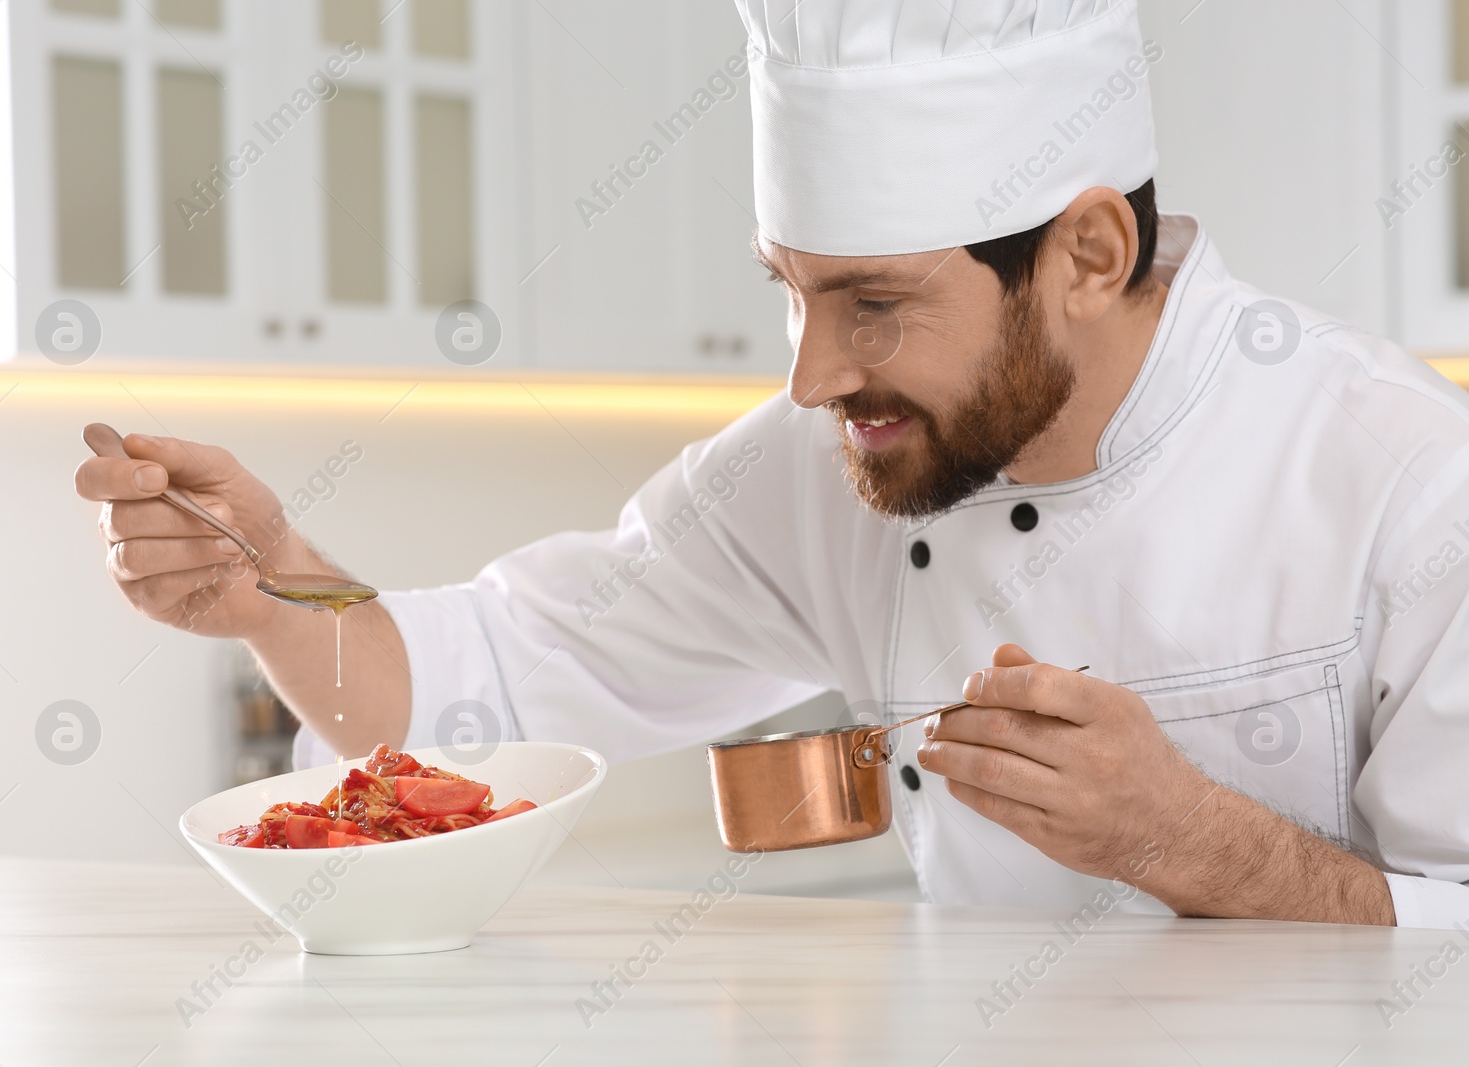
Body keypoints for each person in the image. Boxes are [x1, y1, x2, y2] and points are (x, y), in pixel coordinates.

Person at [75, 0, 1469, 929]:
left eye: (873, 305)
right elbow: (477, 687)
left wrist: (1186, 841)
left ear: (1090, 256)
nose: (809, 376)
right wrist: (276, 595)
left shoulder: (1404, 476)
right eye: (789, 294)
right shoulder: (831, 466)